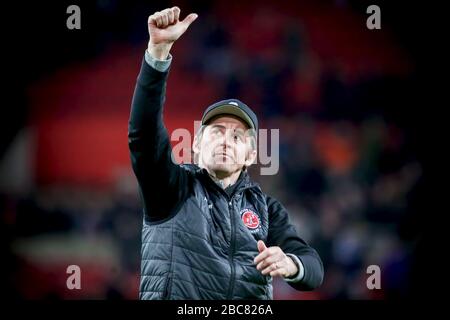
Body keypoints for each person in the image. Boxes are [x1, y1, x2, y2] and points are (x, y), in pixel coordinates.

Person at [128, 6, 324, 300]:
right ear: (196, 144)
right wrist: (157, 54)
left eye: (237, 136)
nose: (225, 141)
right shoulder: (171, 188)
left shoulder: (267, 210)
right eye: (216, 131)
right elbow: (143, 133)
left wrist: (290, 263)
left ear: (250, 155)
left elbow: (313, 269)